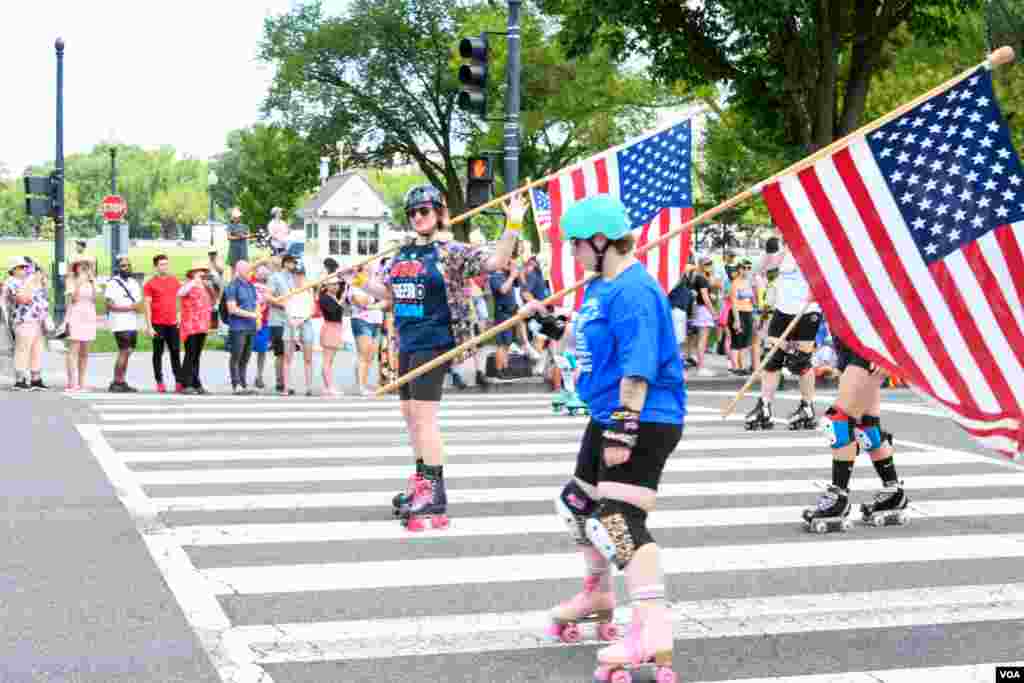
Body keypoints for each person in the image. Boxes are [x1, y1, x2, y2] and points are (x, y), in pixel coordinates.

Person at [521, 195, 683, 682]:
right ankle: (597, 593)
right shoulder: (601, 286)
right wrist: (556, 326)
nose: (571, 253)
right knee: (578, 505)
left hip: (642, 416)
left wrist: (624, 425)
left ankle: (652, 630)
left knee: (618, 520)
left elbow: (640, 364)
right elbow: (590, 337)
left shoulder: (635, 290)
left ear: (600, 241)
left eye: (575, 244)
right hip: (605, 412)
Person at [364, 184, 519, 530]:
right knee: (409, 414)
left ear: (439, 213)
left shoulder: (451, 251)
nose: (418, 217)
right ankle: (422, 481)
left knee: (424, 416)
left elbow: (496, 262)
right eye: (413, 212)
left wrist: (514, 225)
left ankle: (434, 491)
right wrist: (357, 280)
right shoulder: (402, 253)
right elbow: (387, 293)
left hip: (436, 340)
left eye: (425, 210)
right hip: (405, 340)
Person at [804, 332, 910, 532]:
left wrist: (887, 347)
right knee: (868, 427)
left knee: (838, 422)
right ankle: (893, 492)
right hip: (848, 341)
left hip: (871, 342)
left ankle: (838, 497)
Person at [745, 235, 821, 431]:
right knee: (771, 359)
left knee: (800, 361)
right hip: (782, 310)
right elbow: (757, 271)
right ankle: (765, 405)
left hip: (807, 310)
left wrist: (819, 289)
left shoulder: (813, 245)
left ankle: (807, 407)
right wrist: (768, 253)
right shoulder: (783, 251)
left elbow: (828, 275)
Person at [4, 257, 50, 390]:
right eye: (21, 267)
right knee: (22, 349)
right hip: (23, 320)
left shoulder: (29, 281)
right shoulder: (12, 282)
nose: (25, 270)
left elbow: (43, 295)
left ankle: (36, 378)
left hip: (37, 320)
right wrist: (30, 281)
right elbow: (23, 299)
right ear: (13, 270)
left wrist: (38, 276)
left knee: (37, 349)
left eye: (26, 267)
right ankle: (20, 379)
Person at [143, 255, 183, 393]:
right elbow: (147, 305)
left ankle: (179, 380)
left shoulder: (174, 281)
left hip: (172, 323)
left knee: (175, 352)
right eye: (161, 264)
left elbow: (181, 299)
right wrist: (149, 326)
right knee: (158, 353)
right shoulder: (150, 284)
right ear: (156, 267)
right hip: (157, 324)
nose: (164, 267)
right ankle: (159, 381)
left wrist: (179, 315)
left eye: (166, 264)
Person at [103, 254, 142, 392]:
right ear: (118, 268)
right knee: (124, 351)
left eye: (128, 265)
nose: (126, 268)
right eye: (123, 266)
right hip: (119, 323)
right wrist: (128, 308)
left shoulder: (134, 282)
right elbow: (108, 305)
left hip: (132, 322)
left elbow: (137, 302)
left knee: (129, 351)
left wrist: (137, 308)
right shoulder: (112, 283)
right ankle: (116, 381)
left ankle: (122, 381)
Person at [177, 260, 216, 394]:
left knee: (196, 355)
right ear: (193, 273)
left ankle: (195, 382)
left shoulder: (205, 286)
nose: (202, 273)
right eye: (199, 271)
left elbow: (215, 299)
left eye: (204, 271)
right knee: (190, 354)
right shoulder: (188, 285)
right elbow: (180, 293)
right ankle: (185, 383)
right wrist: (195, 281)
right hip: (190, 326)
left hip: (202, 326)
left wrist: (209, 285)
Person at [223, 260, 261, 395]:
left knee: (246, 356)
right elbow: (232, 309)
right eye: (247, 270)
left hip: (250, 326)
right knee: (236, 355)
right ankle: (236, 383)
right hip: (238, 327)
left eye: (250, 270)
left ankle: (243, 383)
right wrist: (252, 315)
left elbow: (256, 303)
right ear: (239, 271)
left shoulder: (250, 285)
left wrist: (257, 319)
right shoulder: (232, 286)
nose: (250, 272)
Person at [279, 261, 316, 396]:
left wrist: (301, 320)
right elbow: (285, 305)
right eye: (296, 275)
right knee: (287, 357)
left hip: (305, 321)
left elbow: (312, 308)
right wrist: (291, 320)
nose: (298, 277)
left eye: (300, 275)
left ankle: (308, 387)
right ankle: (286, 387)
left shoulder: (309, 288)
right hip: (290, 322)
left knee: (308, 357)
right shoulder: (288, 289)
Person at [347, 267, 385, 395]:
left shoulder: (375, 284)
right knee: (363, 354)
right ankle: (360, 385)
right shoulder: (355, 284)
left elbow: (385, 300)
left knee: (370, 356)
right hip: (362, 320)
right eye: (366, 270)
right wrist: (373, 298)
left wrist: (373, 299)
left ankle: (364, 383)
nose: (370, 272)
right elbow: (360, 302)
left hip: (376, 320)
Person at [65, 257, 98, 391]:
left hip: (89, 315)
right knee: (74, 350)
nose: (84, 267)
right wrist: (79, 282)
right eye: (81, 265)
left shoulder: (91, 281)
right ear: (76, 267)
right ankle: (72, 382)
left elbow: (95, 299)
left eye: (86, 265)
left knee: (85, 352)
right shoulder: (71, 280)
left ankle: (82, 382)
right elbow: (73, 299)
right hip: (75, 315)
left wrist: (93, 281)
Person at [268, 255, 298, 394]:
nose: (294, 265)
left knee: (289, 354)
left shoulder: (294, 278)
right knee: (280, 353)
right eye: (292, 262)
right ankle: (280, 382)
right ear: (285, 263)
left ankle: (286, 382)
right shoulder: (275, 277)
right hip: (277, 320)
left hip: (290, 320)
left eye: (295, 263)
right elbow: (268, 297)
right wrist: (283, 304)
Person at [488, 260, 520, 379]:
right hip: (502, 313)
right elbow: (503, 290)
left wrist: (514, 273)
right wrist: (511, 276)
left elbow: (519, 284)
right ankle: (499, 369)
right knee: (501, 343)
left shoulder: (506, 275)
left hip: (510, 312)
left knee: (507, 343)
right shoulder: (495, 277)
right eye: (507, 262)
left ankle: (505, 368)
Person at [689, 255, 716, 377]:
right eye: (706, 264)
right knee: (703, 339)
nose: (709, 266)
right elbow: (705, 297)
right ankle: (701, 367)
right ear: (701, 266)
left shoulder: (697, 278)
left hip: (699, 309)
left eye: (710, 264)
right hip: (704, 310)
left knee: (699, 339)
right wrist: (713, 312)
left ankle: (699, 365)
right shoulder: (702, 279)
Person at [727, 260, 755, 376]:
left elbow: (752, 299)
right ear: (739, 269)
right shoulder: (735, 283)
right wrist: (737, 320)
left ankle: (742, 366)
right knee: (736, 341)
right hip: (738, 313)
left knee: (745, 342)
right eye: (745, 268)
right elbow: (733, 303)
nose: (747, 270)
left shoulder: (748, 282)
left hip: (748, 313)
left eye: (749, 268)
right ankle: (735, 367)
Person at [251, 266, 273, 389]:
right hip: (250, 321)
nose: (264, 275)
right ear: (256, 274)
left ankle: (259, 376)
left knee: (262, 351)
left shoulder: (270, 287)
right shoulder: (250, 285)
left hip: (264, 321)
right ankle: (241, 376)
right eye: (261, 273)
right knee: (246, 351)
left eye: (266, 273)